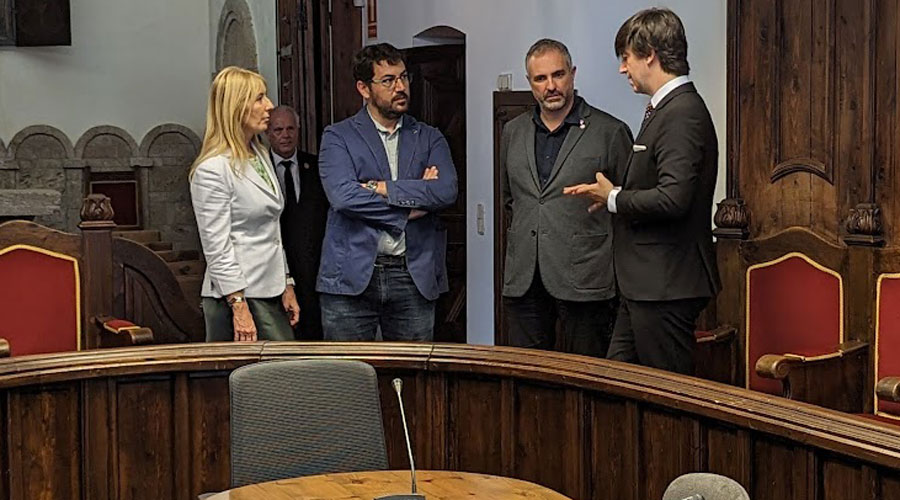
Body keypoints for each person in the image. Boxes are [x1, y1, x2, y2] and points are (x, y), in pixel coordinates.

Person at [564, 8, 721, 374]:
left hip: (665, 286)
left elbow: (673, 198)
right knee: (619, 382)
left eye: (626, 57)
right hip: (646, 286)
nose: (623, 69)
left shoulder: (682, 112)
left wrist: (614, 198)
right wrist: (612, 195)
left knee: (666, 396)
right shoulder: (665, 109)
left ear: (649, 54)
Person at [317, 43, 457, 342]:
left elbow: (445, 191)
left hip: (412, 274)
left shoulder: (429, 137)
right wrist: (411, 205)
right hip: (350, 276)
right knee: (348, 378)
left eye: (404, 77)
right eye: (388, 80)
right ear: (364, 88)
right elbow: (343, 197)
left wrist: (379, 188)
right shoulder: (338, 136)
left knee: (413, 377)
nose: (400, 87)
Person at [501, 39, 632, 357]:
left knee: (587, 378)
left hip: (586, 279)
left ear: (572, 74)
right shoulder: (512, 131)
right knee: (528, 377)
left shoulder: (609, 132)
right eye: (540, 79)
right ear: (529, 83)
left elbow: (628, 203)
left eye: (558, 75)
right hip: (525, 279)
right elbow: (511, 200)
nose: (551, 86)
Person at [190, 66, 300, 342]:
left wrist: (286, 282)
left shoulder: (259, 153)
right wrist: (238, 305)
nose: (270, 106)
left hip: (268, 288)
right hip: (238, 296)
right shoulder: (212, 169)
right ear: (236, 107)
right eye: (260, 98)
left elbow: (272, 230)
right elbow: (216, 245)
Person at [266, 105, 329, 340]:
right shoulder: (257, 169)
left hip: (314, 269)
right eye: (278, 129)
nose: (285, 135)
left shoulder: (317, 166)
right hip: (274, 269)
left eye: (290, 128)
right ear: (268, 133)